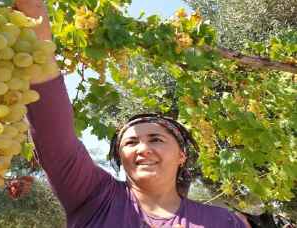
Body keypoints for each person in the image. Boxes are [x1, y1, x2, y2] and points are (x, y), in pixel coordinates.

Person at [16, 0, 250, 227]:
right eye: (130, 142)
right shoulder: (93, 197)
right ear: (120, 156)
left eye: (156, 139)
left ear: (182, 155)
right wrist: (32, 13)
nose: (142, 148)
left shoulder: (224, 221)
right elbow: (54, 135)